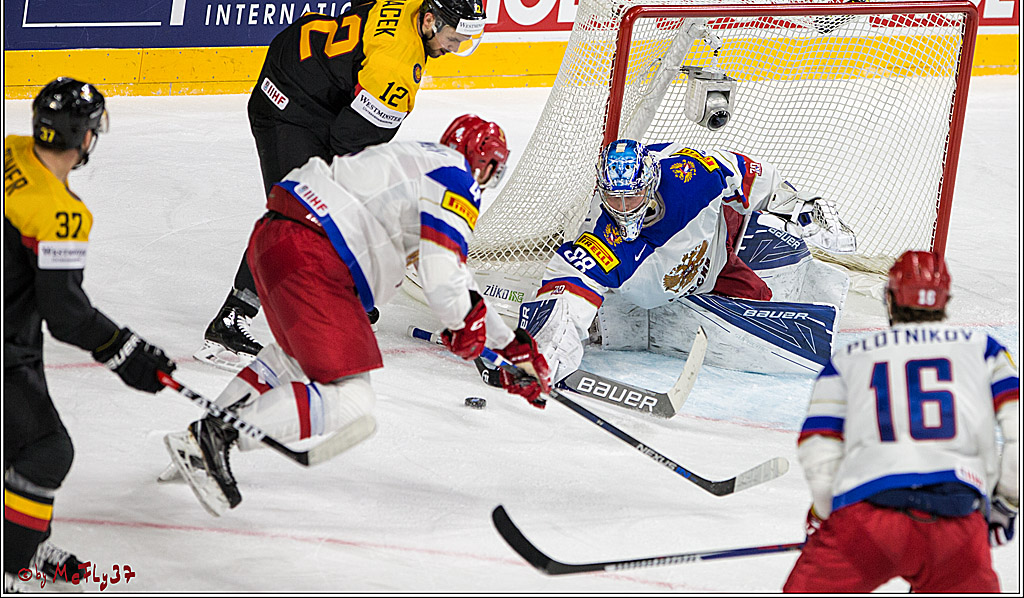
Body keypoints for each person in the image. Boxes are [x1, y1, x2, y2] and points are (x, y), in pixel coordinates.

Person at [163, 116, 549, 516]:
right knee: (351, 400)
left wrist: (511, 346)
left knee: (290, 359)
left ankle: (194, 444)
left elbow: (456, 281)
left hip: (275, 238)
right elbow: (442, 277)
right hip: (316, 254)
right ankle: (216, 436)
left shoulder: (417, 163)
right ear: (483, 161)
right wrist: (463, 324)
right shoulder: (457, 179)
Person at [196, 0, 488, 371]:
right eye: (453, 39)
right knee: (300, 217)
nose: (455, 47)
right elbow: (348, 146)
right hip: (287, 102)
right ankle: (230, 321)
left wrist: (363, 21)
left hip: (303, 60)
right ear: (429, 22)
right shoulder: (395, 72)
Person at [4, 78, 176, 588]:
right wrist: (129, 354)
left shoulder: (11, 152)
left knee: (20, 440)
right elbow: (67, 313)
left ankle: (25, 542)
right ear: (83, 139)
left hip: (15, 328)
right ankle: (10, 564)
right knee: (45, 450)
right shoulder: (61, 215)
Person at [515, 138, 857, 382]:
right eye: (612, 198)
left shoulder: (691, 173)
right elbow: (565, 286)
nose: (622, 208)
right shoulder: (600, 235)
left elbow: (755, 177)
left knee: (760, 302)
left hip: (713, 259)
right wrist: (544, 352)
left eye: (631, 195)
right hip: (652, 288)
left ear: (649, 183)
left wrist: (803, 209)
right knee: (587, 299)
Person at [783, 250, 1018, 592]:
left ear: (890, 299)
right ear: (945, 301)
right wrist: (1007, 504)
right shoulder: (985, 350)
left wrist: (824, 513)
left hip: (868, 521)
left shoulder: (850, 357)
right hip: (954, 525)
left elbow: (818, 444)